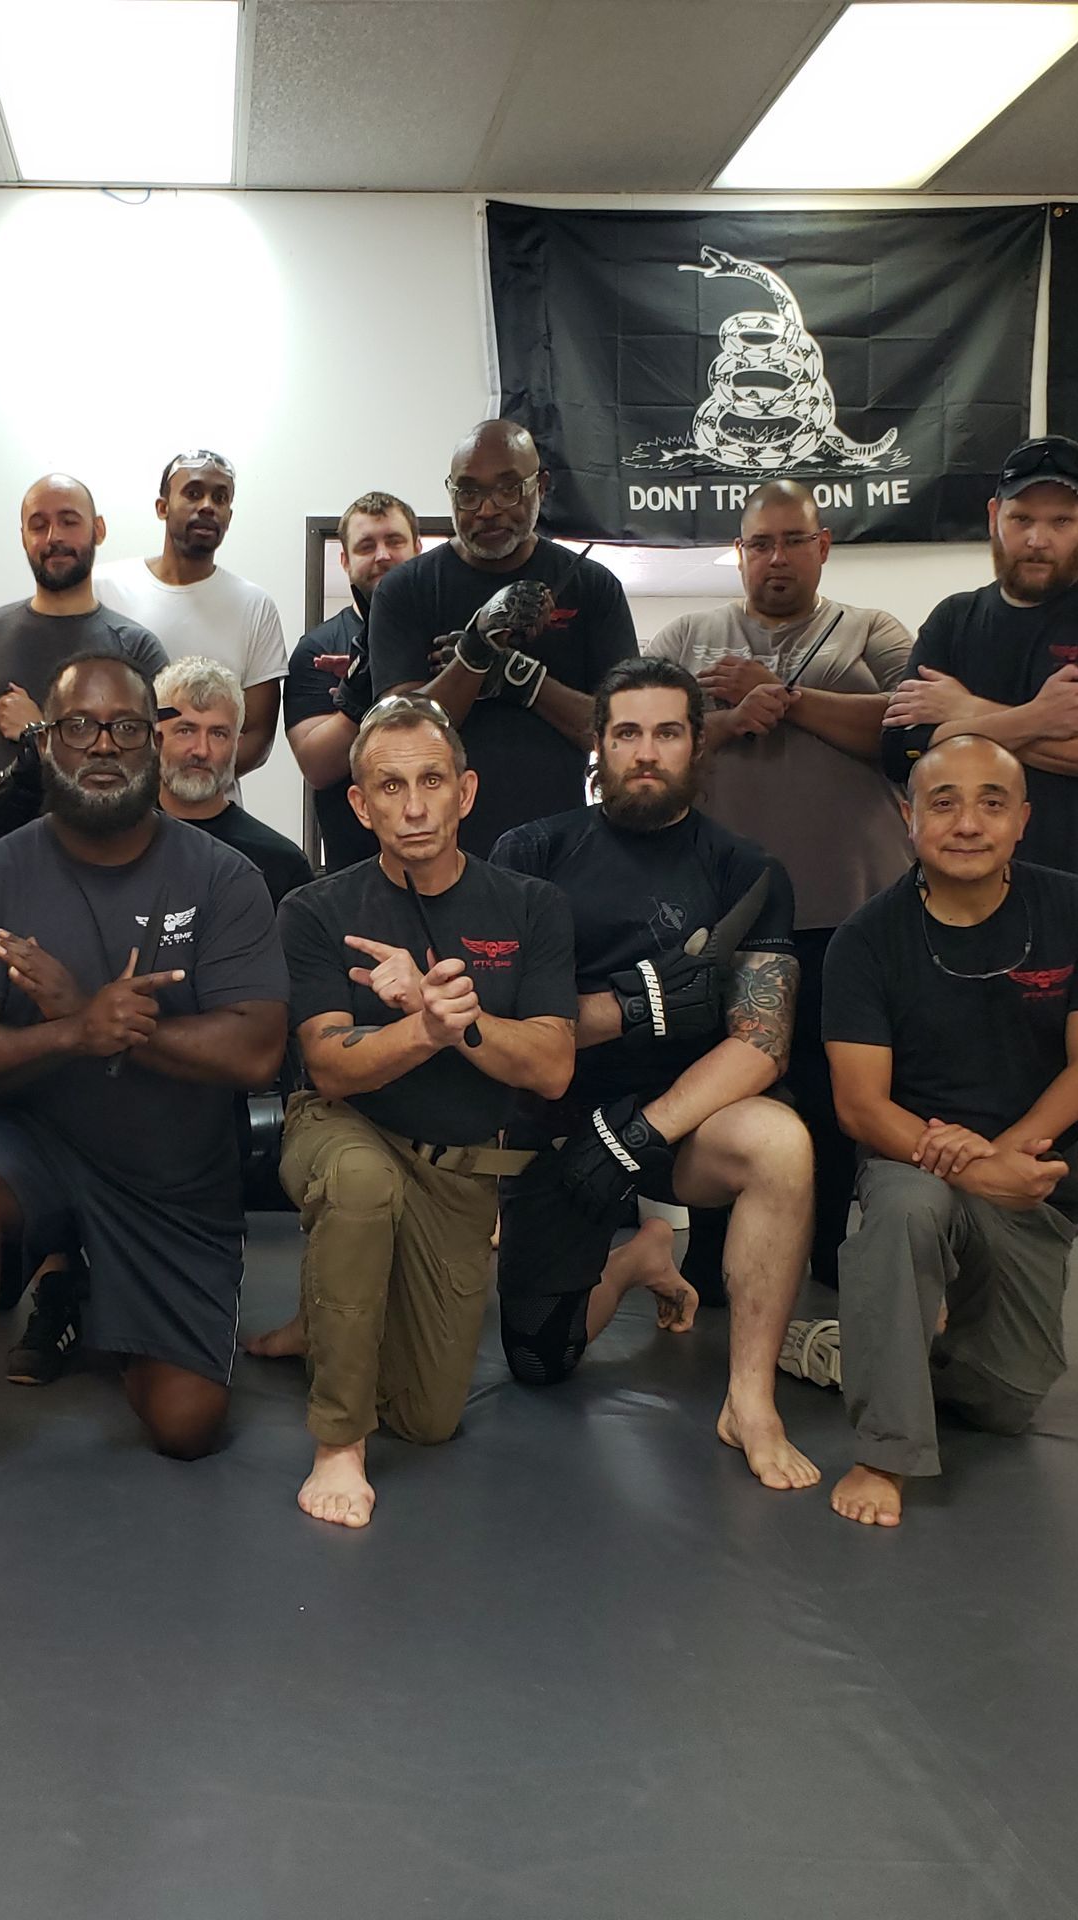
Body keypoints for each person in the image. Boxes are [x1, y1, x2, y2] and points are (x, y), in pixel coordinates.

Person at [0, 654, 289, 1543]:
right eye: (77, 727)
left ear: (154, 744)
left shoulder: (224, 877)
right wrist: (72, 1030)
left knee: (186, 1429)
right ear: (41, 745)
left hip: (171, 1175)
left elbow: (258, 1049)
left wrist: (107, 1017)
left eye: (126, 728)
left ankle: (97, 1298)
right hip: (32, 1148)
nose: (102, 746)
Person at [881, 434, 1078, 1423]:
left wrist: (975, 718)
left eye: (1061, 518)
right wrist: (1023, 718)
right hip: (959, 919)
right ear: (994, 523)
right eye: (1024, 518)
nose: (1040, 536)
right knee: (953, 1111)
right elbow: (915, 755)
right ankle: (942, 1324)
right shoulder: (955, 619)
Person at [492, 658, 819, 1493]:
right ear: (598, 744)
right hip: (560, 1119)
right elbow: (514, 1022)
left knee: (783, 1144)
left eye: (667, 732)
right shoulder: (532, 852)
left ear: (697, 744)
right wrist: (634, 1005)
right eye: (627, 732)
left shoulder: (746, 870)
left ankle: (750, 1399)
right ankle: (639, 1256)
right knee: (541, 1360)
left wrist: (642, 1134)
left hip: (687, 1123)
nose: (647, 751)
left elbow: (762, 1042)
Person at [251, 695, 576, 1528]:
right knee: (360, 1186)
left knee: (429, 1421)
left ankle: (319, 1321)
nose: (415, 806)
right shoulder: (318, 910)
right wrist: (426, 1029)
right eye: (390, 787)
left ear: (466, 791)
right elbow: (328, 1067)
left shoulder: (532, 906)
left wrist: (453, 1023)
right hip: (343, 1131)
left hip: (458, 1170)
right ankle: (338, 1443)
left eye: (432, 780)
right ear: (359, 805)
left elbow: (550, 1068)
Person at [822, 735, 1078, 1526]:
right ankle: (883, 1452)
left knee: (1006, 1401)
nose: (968, 823)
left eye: (991, 803)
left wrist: (997, 1157)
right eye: (944, 801)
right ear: (908, 816)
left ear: (1022, 820)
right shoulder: (865, 937)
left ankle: (859, 1345)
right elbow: (861, 1106)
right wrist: (959, 1164)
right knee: (908, 1210)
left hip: (1027, 1174)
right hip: (910, 1159)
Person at [646, 480, 913, 1289]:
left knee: (838, 1091)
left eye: (793, 539)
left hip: (852, 910)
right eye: (760, 543)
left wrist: (788, 701)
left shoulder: (874, 630)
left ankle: (830, 1251)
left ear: (823, 545)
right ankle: (713, 1252)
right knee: (717, 1084)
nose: (776, 557)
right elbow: (644, 746)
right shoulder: (689, 632)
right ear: (739, 553)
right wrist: (726, 719)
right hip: (724, 916)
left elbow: (911, 725)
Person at [365, 420, 638, 854]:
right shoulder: (404, 590)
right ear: (451, 493)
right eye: (469, 493)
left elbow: (619, 734)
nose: (488, 509)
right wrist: (475, 651)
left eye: (508, 489)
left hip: (559, 847)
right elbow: (399, 735)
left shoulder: (593, 587)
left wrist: (520, 679)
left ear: (540, 487)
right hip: (435, 849)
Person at [0, 472, 168, 782]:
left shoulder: (135, 648)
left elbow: (160, 760)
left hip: (106, 829)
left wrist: (38, 733)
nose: (54, 537)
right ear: (23, 537)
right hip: (3, 830)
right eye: (38, 526)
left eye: (69, 521)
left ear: (98, 529)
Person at [96, 450, 286, 777]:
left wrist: (193, 787)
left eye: (220, 497)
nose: (208, 506)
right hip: (120, 808)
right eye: (193, 493)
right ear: (162, 507)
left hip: (214, 816)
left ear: (229, 514)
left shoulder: (255, 605)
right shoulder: (105, 588)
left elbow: (258, 735)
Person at [284, 490, 419, 873]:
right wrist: (361, 691)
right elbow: (317, 766)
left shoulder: (448, 638)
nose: (382, 556)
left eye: (394, 541)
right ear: (344, 560)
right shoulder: (317, 649)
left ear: (417, 548)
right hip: (355, 869)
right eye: (365, 546)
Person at [156, 656, 313, 907]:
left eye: (218, 734)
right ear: (156, 738)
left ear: (237, 745)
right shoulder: (116, 844)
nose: (201, 750)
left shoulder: (281, 864)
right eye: (186, 730)